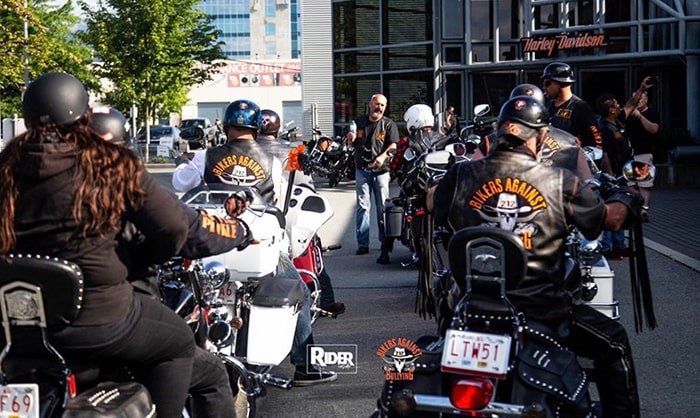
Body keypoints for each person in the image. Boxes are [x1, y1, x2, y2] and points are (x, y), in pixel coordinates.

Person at [430, 96, 643, 418]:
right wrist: (628, 196)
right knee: (614, 342)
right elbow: (609, 220)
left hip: (469, 307)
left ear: (499, 133)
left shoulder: (460, 176)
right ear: (541, 136)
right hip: (541, 310)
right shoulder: (559, 181)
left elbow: (433, 205)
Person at [0, 72, 195, 417]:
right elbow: (173, 226)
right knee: (179, 342)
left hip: (16, 325)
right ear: (84, 114)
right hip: (102, 318)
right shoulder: (111, 163)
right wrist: (143, 259)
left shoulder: (6, 167)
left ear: (27, 118)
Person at [91, 105, 256, 418]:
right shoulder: (119, 179)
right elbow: (181, 228)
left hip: (33, 326)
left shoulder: (16, 175)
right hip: (104, 317)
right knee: (191, 354)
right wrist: (240, 230)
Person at [172, 99, 337, 386]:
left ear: (225, 126)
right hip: (257, 245)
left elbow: (179, 183)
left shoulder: (206, 157)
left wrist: (187, 162)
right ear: (256, 127)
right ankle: (305, 365)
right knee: (298, 289)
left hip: (213, 242)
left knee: (183, 288)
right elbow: (284, 195)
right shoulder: (271, 162)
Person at [258, 108, 346, 316]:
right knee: (312, 246)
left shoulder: (244, 151)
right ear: (277, 130)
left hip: (254, 214)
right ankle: (325, 300)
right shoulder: (292, 152)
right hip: (286, 212)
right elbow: (306, 186)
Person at [377, 103, 440, 265]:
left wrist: (392, 172)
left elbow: (395, 165)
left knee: (392, 208)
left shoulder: (406, 141)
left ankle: (385, 253)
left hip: (413, 189)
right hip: (437, 187)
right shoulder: (442, 138)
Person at [346, 93, 400, 256]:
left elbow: (394, 145)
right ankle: (363, 244)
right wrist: (350, 138)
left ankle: (385, 243)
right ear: (370, 105)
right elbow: (353, 144)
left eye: (382, 105)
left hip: (381, 172)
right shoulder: (359, 122)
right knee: (363, 207)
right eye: (377, 104)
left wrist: (382, 157)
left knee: (382, 207)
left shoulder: (388, 125)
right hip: (362, 170)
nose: (379, 107)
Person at [541, 62, 604, 150]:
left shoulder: (581, 108)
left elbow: (596, 140)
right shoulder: (548, 106)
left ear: (561, 83)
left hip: (571, 160)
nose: (544, 87)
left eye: (547, 83)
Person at [625, 86, 660, 206]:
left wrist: (640, 116)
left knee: (644, 184)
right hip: (629, 154)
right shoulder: (628, 115)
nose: (638, 100)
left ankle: (644, 209)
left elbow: (654, 129)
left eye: (640, 98)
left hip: (643, 152)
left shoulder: (652, 113)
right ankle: (635, 209)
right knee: (631, 184)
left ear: (646, 100)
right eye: (636, 98)